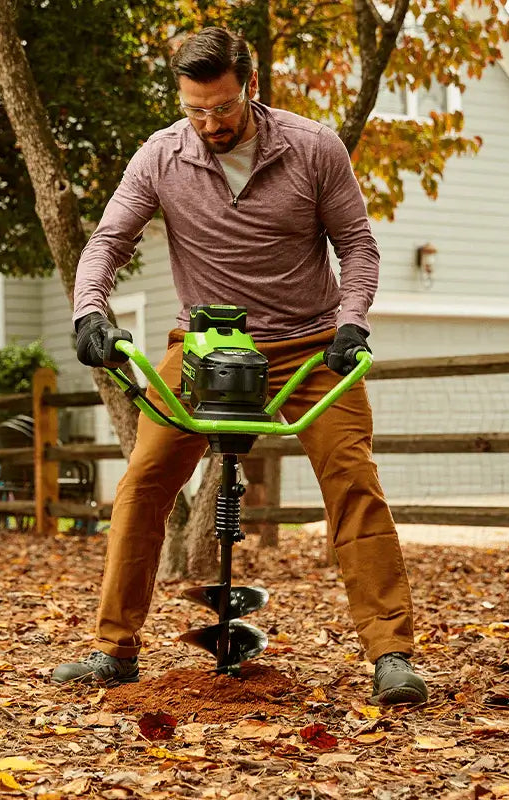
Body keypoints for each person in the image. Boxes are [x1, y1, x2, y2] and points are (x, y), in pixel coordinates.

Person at [53, 27, 428, 706]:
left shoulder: (312, 147)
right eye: (195, 109)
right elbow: (108, 240)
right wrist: (89, 312)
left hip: (309, 346)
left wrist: (352, 324)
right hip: (204, 346)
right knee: (143, 480)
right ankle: (113, 650)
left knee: (353, 479)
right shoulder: (161, 156)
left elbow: (358, 246)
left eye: (221, 108)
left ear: (250, 87)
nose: (208, 124)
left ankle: (391, 655)